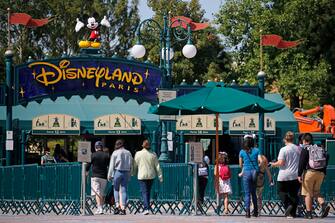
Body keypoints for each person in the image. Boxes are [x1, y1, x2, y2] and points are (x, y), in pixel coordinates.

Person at [297, 133, 330, 219]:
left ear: (304, 140)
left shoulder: (305, 149)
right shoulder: (319, 148)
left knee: (307, 193)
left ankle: (308, 213)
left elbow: (301, 163)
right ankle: (323, 204)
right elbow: (327, 156)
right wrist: (324, 172)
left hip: (309, 173)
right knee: (316, 192)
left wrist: (299, 174)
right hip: (320, 173)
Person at [269, 131, 301, 218]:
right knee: (294, 194)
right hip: (295, 174)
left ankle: (288, 204)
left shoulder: (283, 149)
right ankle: (292, 213)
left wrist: (273, 164)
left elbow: (281, 162)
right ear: (293, 139)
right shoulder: (298, 149)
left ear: (284, 140)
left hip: (284, 175)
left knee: (280, 191)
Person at [133, 139, 163, 215]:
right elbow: (157, 166)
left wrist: (133, 173)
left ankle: (146, 208)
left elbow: (135, 165)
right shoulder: (153, 154)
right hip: (151, 175)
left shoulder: (138, 154)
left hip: (142, 175)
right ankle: (147, 207)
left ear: (142, 146)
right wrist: (160, 176)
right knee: (148, 192)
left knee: (144, 192)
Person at [107, 139, 133, 215]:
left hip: (117, 172)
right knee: (124, 189)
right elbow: (131, 164)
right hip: (126, 172)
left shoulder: (115, 153)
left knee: (116, 189)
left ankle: (117, 205)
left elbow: (111, 165)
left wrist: (109, 175)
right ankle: (123, 208)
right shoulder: (128, 152)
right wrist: (130, 174)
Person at [239, 136, 262, 218]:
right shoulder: (257, 150)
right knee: (254, 193)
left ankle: (247, 212)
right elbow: (261, 161)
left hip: (246, 172)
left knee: (247, 193)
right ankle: (255, 211)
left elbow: (240, 164)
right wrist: (258, 166)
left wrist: (243, 168)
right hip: (255, 172)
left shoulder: (242, 151)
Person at [86, 141, 110, 215]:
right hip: (104, 176)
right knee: (101, 193)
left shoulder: (92, 155)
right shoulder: (107, 155)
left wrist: (86, 172)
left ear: (95, 147)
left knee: (97, 193)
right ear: (102, 147)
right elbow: (109, 166)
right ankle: (101, 208)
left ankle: (99, 208)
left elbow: (88, 165)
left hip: (95, 176)